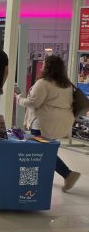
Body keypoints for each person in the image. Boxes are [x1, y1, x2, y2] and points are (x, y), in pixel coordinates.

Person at [16, 55, 81, 191]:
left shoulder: (43, 83)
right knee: (46, 149)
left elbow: (34, 103)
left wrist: (19, 98)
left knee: (42, 151)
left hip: (43, 123)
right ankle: (45, 176)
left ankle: (67, 174)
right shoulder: (67, 85)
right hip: (61, 122)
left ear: (47, 67)